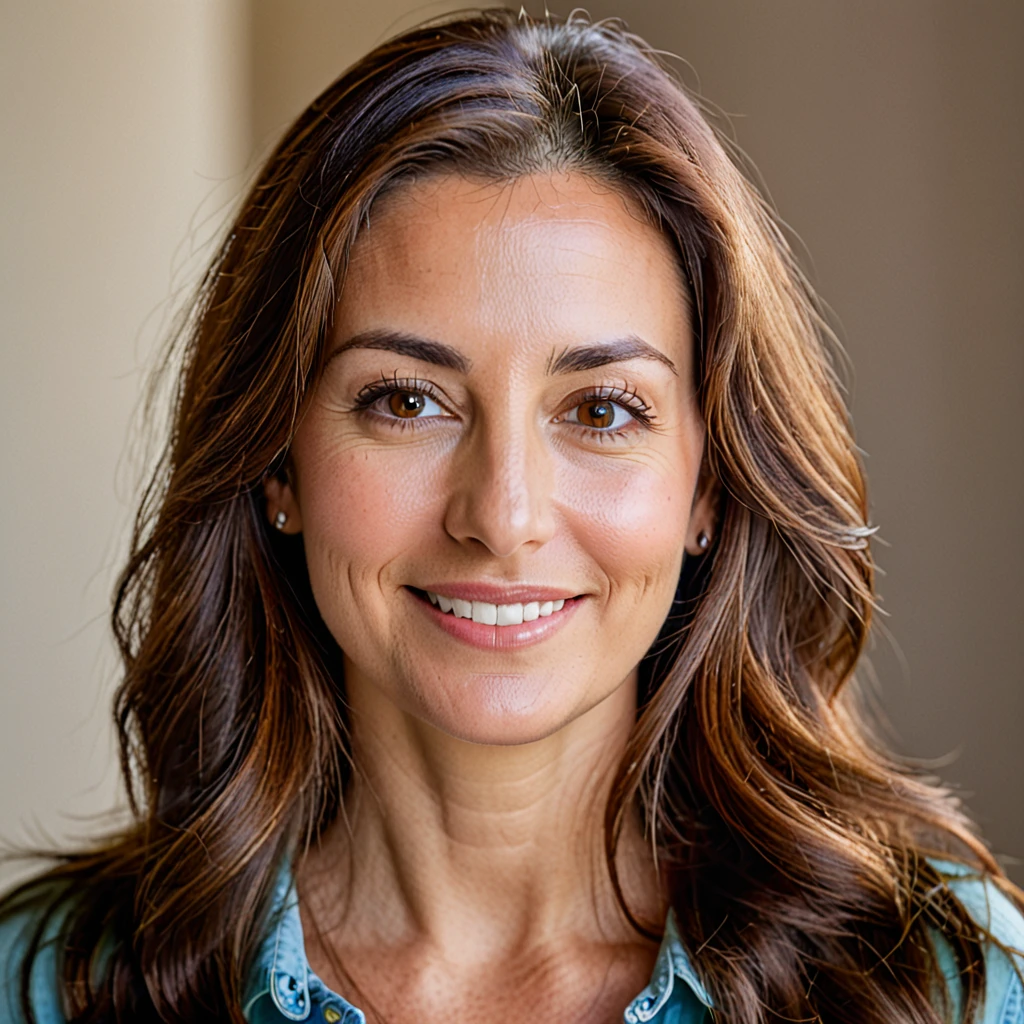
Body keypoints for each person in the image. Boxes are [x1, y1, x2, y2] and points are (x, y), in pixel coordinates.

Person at [2, 9, 1021, 1023]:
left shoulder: (948, 986)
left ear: (707, 484)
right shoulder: (46, 989)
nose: (503, 514)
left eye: (601, 409)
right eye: (406, 400)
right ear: (278, 462)